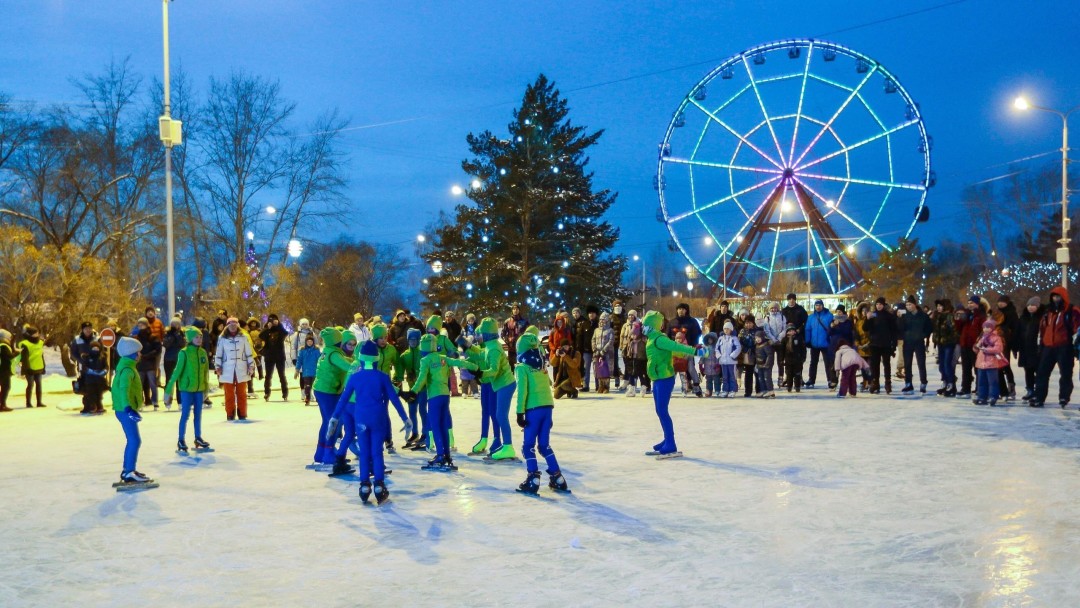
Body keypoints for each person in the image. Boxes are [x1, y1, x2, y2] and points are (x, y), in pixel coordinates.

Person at [330, 340, 411, 504]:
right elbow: (394, 399)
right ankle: (379, 485)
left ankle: (364, 485)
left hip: (361, 418)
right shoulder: (382, 377)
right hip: (378, 418)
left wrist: (334, 417)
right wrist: (405, 418)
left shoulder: (355, 377)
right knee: (376, 453)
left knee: (365, 453)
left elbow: (343, 399)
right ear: (376, 359)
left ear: (360, 358)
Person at [514, 332, 570, 494]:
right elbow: (547, 387)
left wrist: (519, 413)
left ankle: (533, 478)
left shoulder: (522, 367)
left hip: (533, 409)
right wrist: (548, 414)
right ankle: (558, 478)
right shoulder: (542, 366)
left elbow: (522, 391)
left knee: (528, 446)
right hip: (547, 408)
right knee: (544, 445)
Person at [411, 334, 477, 470]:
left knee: (435, 426)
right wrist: (475, 367)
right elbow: (460, 362)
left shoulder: (425, 360)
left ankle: (440, 455)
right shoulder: (443, 358)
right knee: (443, 425)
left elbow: (422, 378)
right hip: (445, 395)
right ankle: (446, 454)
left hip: (434, 396)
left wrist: (413, 392)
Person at [642, 311, 697, 458]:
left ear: (652, 325)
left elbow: (677, 346)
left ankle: (671, 444)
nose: (642, 327)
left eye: (645, 325)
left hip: (665, 378)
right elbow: (668, 352)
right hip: (657, 378)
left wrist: (695, 351)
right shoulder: (652, 338)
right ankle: (667, 439)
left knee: (662, 411)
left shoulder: (659, 338)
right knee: (659, 410)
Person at [474, 317, 516, 459]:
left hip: (505, 384)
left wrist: (481, 373)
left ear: (486, 334)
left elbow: (494, 370)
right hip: (502, 384)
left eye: (482, 333)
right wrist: (468, 348)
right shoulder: (490, 345)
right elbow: (481, 354)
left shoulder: (493, 348)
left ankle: (507, 446)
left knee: (500, 415)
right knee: (499, 415)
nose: (480, 336)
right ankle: (505, 445)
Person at [112, 336, 152, 485]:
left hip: (123, 409)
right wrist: (128, 408)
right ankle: (129, 471)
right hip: (124, 410)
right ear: (132, 354)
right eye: (138, 352)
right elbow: (124, 390)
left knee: (133, 440)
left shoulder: (126, 366)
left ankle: (128, 470)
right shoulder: (127, 370)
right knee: (134, 440)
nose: (140, 354)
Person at [165, 326, 212, 453]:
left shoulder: (202, 352)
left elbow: (205, 373)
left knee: (198, 414)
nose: (199, 339)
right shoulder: (184, 353)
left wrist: (206, 389)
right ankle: (181, 439)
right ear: (190, 338)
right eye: (196, 337)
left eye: (200, 337)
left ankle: (198, 437)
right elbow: (177, 371)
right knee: (185, 414)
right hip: (186, 389)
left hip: (199, 389)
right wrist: (169, 389)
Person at [1031, 286, 1078, 408]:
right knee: (1042, 373)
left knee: (1066, 373)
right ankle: (1039, 397)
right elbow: (1043, 328)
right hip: (1048, 346)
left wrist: (1075, 344)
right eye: (1054, 297)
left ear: (1063, 297)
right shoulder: (1048, 312)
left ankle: (1064, 396)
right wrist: (1041, 344)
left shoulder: (1071, 311)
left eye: (1058, 296)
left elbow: (1077, 328)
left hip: (1064, 346)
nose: (1055, 299)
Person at [311, 328, 353, 465]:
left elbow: (345, 360)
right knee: (333, 422)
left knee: (327, 421)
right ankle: (328, 453)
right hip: (328, 392)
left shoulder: (329, 351)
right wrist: (359, 366)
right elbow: (347, 366)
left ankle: (321, 452)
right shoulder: (334, 354)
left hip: (322, 390)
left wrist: (353, 359)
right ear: (337, 341)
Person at [215, 317, 254, 421]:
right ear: (227, 326)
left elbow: (248, 353)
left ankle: (242, 413)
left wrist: (251, 365)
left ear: (238, 325)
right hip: (227, 369)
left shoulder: (243, 337)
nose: (233, 326)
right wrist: (218, 366)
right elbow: (218, 354)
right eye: (230, 324)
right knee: (229, 394)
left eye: (235, 324)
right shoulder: (222, 338)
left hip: (241, 368)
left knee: (242, 393)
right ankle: (230, 414)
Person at [397, 329, 428, 449]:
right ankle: (415, 433)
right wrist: (397, 380)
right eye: (411, 339)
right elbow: (400, 370)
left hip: (423, 387)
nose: (413, 342)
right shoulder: (404, 355)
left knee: (422, 410)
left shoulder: (423, 353)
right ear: (408, 340)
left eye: (415, 339)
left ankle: (425, 433)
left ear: (419, 340)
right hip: (411, 388)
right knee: (412, 411)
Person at [669, 302, 704, 397]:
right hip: (675, 351)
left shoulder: (692, 321)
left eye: (683, 309)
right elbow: (668, 336)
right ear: (677, 310)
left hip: (688, 349)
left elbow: (697, 334)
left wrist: (693, 345)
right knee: (674, 369)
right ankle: (669, 387)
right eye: (679, 309)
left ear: (686, 311)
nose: (681, 311)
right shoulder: (672, 322)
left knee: (690, 368)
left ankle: (695, 386)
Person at [899, 296, 933, 395]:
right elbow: (900, 327)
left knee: (921, 363)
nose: (908, 306)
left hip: (919, 342)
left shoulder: (923, 315)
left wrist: (923, 335)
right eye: (907, 305)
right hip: (908, 342)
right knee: (907, 364)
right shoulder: (905, 315)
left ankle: (923, 382)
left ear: (915, 304)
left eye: (910, 304)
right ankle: (908, 383)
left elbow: (929, 327)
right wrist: (899, 318)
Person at [956, 296, 988, 398]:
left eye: (972, 303)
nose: (970, 305)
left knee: (977, 368)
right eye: (969, 303)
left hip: (975, 345)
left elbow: (983, 330)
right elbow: (959, 328)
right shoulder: (967, 314)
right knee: (966, 368)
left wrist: (978, 343)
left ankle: (980, 388)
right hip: (965, 344)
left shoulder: (981, 315)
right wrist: (959, 320)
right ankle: (965, 389)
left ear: (977, 304)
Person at [864, 297, 898, 395]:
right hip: (874, 344)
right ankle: (875, 383)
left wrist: (893, 344)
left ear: (884, 305)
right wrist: (867, 319)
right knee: (875, 365)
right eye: (877, 304)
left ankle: (888, 383)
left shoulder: (889, 316)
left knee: (886, 364)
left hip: (886, 344)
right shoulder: (873, 315)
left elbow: (893, 331)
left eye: (880, 304)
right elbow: (865, 328)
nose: (878, 306)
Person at [1017, 297, 1044, 403]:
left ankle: (1038, 391)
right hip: (1025, 348)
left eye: (1033, 305)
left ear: (1038, 306)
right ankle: (1030, 390)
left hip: (1036, 348)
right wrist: (1016, 345)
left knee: (1039, 371)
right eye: (1029, 305)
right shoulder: (1023, 317)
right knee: (1028, 370)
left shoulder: (1041, 317)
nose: (1030, 307)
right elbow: (1018, 332)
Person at [994, 295, 1021, 401]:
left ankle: (1011, 387)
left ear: (1007, 303)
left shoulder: (1012, 313)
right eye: (999, 301)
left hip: (1006, 343)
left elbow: (1015, 330)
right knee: (998, 366)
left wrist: (1014, 345)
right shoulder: (996, 313)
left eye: (1003, 302)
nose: (1000, 304)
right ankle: (1002, 389)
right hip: (996, 343)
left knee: (1005, 365)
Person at [974, 318, 1007, 406]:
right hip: (981, 363)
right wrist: (976, 347)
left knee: (993, 382)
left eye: (988, 327)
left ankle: (993, 396)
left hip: (991, 363)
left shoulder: (996, 338)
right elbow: (977, 348)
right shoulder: (982, 337)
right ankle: (982, 396)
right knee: (981, 381)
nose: (986, 329)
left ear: (992, 328)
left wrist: (986, 350)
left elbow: (998, 349)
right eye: (984, 327)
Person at [804, 299, 835, 389]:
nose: (818, 307)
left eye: (820, 305)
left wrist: (831, 340)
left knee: (828, 363)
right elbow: (808, 329)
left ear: (823, 306)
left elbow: (832, 329)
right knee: (813, 363)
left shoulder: (829, 316)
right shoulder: (811, 317)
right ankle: (811, 379)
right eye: (816, 305)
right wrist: (807, 341)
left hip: (826, 343)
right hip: (814, 344)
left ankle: (830, 379)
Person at [259, 313, 289, 401]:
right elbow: (261, 336)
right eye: (271, 320)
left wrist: (278, 325)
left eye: (275, 320)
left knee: (281, 375)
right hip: (269, 356)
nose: (273, 322)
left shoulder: (280, 328)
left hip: (279, 356)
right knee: (268, 375)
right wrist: (268, 328)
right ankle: (266, 393)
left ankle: (285, 392)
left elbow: (285, 334)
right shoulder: (266, 329)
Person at [933, 300, 959, 397]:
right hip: (940, 343)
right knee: (941, 365)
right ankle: (945, 381)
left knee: (947, 364)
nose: (938, 308)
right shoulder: (938, 316)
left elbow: (954, 330)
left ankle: (951, 384)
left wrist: (951, 339)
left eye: (940, 306)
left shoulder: (949, 316)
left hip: (948, 343)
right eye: (937, 306)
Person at [134, 318, 161, 410]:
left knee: (153, 384)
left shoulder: (153, 337)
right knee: (139, 384)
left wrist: (146, 355)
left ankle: (155, 402)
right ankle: (140, 402)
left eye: (142, 325)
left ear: (146, 325)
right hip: (140, 364)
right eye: (139, 325)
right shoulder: (137, 338)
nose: (140, 327)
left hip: (150, 363)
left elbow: (157, 350)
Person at [18, 326, 46, 408]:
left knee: (39, 384)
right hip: (29, 368)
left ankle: (39, 402)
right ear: (30, 334)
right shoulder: (25, 344)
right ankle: (28, 403)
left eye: (37, 333)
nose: (37, 334)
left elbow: (41, 355)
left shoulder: (40, 342)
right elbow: (24, 358)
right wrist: (27, 369)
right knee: (30, 385)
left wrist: (44, 366)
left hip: (39, 367)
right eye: (34, 333)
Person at [78, 341, 108, 415]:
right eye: (94, 348)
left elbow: (106, 367)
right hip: (90, 380)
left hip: (99, 380)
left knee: (99, 394)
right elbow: (84, 368)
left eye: (97, 348)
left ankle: (99, 406)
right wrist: (91, 371)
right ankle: (92, 406)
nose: (95, 350)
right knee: (91, 394)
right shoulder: (87, 357)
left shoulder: (102, 357)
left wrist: (103, 371)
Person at [162, 318, 186, 408]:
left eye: (177, 324)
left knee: (180, 380)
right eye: (173, 324)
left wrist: (177, 335)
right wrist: (172, 335)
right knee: (169, 380)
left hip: (179, 359)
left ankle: (181, 401)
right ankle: (168, 400)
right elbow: (166, 344)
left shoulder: (182, 334)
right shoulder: (167, 334)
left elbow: (183, 344)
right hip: (169, 359)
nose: (175, 326)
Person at [761, 302, 786, 386]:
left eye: (775, 308)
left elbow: (784, 328)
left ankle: (780, 377)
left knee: (780, 362)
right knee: (770, 362)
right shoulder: (767, 318)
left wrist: (779, 338)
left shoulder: (782, 317)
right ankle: (769, 379)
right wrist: (773, 339)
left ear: (777, 309)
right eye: (772, 308)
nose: (773, 309)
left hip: (780, 342)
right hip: (771, 343)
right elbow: (766, 330)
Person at [716, 321, 741, 398]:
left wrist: (733, 355)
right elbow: (716, 348)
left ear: (731, 330)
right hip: (723, 361)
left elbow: (738, 348)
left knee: (732, 376)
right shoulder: (720, 339)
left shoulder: (734, 338)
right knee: (725, 377)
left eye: (728, 329)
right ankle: (725, 390)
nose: (726, 330)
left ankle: (732, 390)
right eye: (725, 329)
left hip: (731, 362)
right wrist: (719, 356)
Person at [591, 311, 615, 393]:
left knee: (606, 369)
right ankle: (600, 386)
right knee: (598, 370)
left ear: (607, 320)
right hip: (597, 353)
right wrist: (595, 349)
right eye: (601, 319)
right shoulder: (596, 330)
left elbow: (611, 341)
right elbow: (593, 340)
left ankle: (606, 387)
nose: (602, 321)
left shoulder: (610, 330)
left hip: (606, 353)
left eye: (603, 319)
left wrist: (604, 350)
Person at [576, 306, 598, 391]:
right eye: (590, 313)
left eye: (593, 313)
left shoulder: (598, 324)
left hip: (596, 350)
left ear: (596, 314)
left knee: (597, 368)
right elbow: (580, 336)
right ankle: (586, 385)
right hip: (586, 350)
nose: (591, 315)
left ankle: (598, 385)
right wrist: (580, 348)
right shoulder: (585, 324)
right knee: (586, 368)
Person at [295, 335, 320, 406]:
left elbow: (320, 360)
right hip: (306, 372)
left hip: (315, 372)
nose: (309, 343)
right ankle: (307, 398)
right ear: (306, 342)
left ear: (313, 342)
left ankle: (318, 398)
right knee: (307, 386)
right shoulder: (302, 350)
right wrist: (297, 369)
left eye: (311, 341)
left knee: (316, 386)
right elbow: (299, 360)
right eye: (308, 341)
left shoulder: (316, 350)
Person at [501, 305, 529, 371]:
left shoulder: (524, 321)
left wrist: (525, 341)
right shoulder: (507, 321)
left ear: (519, 310)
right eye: (514, 309)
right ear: (512, 310)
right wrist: (508, 341)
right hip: (512, 348)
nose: (515, 310)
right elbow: (503, 334)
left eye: (517, 309)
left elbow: (529, 333)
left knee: (523, 366)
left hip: (522, 348)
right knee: (512, 367)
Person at [781, 323, 806, 392]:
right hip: (788, 360)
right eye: (789, 331)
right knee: (789, 374)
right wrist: (781, 359)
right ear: (787, 332)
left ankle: (797, 386)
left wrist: (803, 357)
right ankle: (789, 387)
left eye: (793, 330)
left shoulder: (799, 338)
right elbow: (782, 351)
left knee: (797, 374)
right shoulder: (784, 340)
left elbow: (803, 349)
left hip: (797, 359)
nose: (791, 332)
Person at [738, 316, 758, 397]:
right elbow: (739, 342)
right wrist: (744, 349)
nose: (748, 325)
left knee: (757, 373)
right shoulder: (742, 331)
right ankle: (748, 391)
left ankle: (759, 390)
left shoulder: (757, 331)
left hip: (756, 354)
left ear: (753, 323)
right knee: (748, 373)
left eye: (750, 323)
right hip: (747, 354)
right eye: (746, 323)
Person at [754, 330, 776, 398]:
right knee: (761, 378)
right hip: (759, 365)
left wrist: (767, 364)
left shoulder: (766, 345)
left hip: (766, 365)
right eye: (756, 338)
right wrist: (757, 364)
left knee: (767, 378)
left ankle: (770, 390)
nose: (757, 339)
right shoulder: (757, 345)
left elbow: (770, 355)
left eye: (759, 338)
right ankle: (764, 390)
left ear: (762, 337)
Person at [609, 299, 626, 389]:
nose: (618, 307)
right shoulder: (611, 317)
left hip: (624, 343)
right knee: (615, 362)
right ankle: (617, 379)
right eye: (616, 306)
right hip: (614, 343)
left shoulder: (625, 317)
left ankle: (627, 380)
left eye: (619, 306)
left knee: (625, 361)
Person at [246, 318, 264, 399]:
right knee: (252, 367)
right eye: (252, 323)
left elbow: (262, 339)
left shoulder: (258, 331)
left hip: (258, 350)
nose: (253, 324)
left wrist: (261, 345)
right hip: (251, 351)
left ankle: (260, 375)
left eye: (254, 323)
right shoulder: (248, 332)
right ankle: (250, 388)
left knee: (259, 363)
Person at [700, 332, 720, 397]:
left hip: (715, 367)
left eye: (711, 339)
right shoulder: (705, 348)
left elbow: (718, 357)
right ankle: (709, 391)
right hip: (707, 367)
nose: (710, 341)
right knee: (708, 380)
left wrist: (718, 364)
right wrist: (701, 364)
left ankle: (717, 391)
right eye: (708, 339)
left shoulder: (716, 348)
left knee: (716, 380)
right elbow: (703, 356)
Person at [0, 329, 15, 412]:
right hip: (4, 370)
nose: (10, 339)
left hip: (2, 369)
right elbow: (8, 357)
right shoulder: (4, 346)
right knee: (6, 387)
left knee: (4, 387)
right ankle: (2, 405)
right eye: (9, 337)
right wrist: (17, 353)